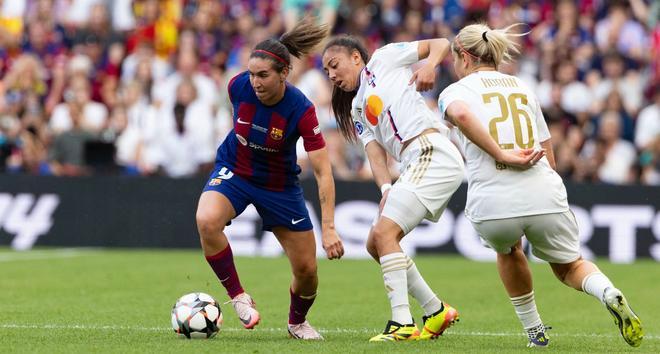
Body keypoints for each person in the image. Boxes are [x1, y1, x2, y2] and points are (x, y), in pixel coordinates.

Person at [437, 23, 644, 348]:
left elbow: (460, 114)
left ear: (464, 56)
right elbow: (548, 154)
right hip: (543, 189)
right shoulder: (522, 87)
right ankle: (607, 291)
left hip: (494, 200)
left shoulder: (455, 90)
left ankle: (535, 332)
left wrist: (501, 152)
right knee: (569, 266)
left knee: (508, 250)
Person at [321, 36, 539, 342]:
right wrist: (385, 189)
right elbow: (375, 153)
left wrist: (429, 65)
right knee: (375, 243)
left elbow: (440, 42)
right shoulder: (358, 108)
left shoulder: (384, 59)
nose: (331, 74)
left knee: (385, 235)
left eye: (334, 65)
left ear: (356, 57)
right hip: (413, 162)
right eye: (326, 71)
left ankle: (402, 324)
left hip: (430, 150)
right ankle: (435, 310)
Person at [196, 18, 344, 340]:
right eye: (252, 73)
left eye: (263, 75)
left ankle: (296, 323)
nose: (256, 82)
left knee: (307, 271)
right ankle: (238, 296)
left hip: (278, 185)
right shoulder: (237, 86)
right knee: (207, 220)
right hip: (235, 169)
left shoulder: (301, 110)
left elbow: (322, 171)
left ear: (284, 74)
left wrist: (329, 226)